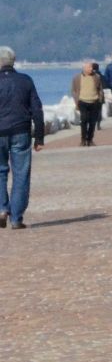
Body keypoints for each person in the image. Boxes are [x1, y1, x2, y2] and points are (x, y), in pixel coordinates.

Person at [0, 45, 46, 229]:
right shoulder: (25, 81)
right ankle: (16, 218)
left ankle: (2, 208)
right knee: (21, 174)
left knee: (0, 171)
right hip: (21, 131)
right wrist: (39, 137)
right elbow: (37, 109)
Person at [70, 61, 104, 147]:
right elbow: (73, 90)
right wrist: (76, 100)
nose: (91, 69)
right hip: (82, 101)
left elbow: (100, 89)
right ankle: (83, 140)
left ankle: (90, 139)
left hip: (94, 101)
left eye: (92, 67)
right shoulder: (77, 78)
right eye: (89, 67)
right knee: (84, 120)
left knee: (92, 122)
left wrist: (100, 99)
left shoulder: (97, 77)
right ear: (84, 68)